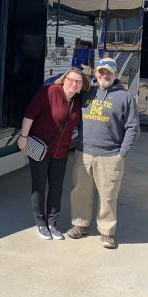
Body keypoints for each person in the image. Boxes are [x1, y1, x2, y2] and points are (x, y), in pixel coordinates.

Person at [67, 57, 139, 249]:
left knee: (108, 196)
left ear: (115, 74)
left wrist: (121, 154)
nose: (103, 75)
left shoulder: (125, 98)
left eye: (108, 72)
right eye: (100, 72)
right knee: (80, 192)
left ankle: (107, 232)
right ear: (95, 73)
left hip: (110, 155)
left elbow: (133, 128)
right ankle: (80, 225)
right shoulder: (87, 93)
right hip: (84, 153)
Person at [18, 67, 90, 240]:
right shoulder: (49, 92)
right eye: (71, 80)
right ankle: (41, 223)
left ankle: (52, 223)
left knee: (57, 188)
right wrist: (23, 136)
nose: (74, 83)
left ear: (81, 86)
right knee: (40, 186)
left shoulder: (79, 100)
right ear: (64, 79)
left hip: (61, 150)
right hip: (41, 149)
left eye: (78, 82)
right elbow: (30, 114)